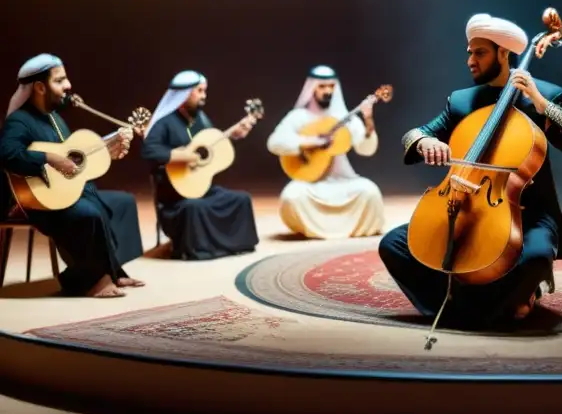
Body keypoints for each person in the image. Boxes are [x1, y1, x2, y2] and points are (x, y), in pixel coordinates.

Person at [378, 13, 562, 328]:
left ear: (504, 53)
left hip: (525, 213)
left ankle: (467, 308)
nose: (470, 60)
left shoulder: (544, 95)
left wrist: (539, 101)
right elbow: (413, 135)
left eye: (480, 53)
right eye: (469, 52)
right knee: (393, 245)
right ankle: (489, 307)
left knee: (535, 257)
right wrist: (424, 142)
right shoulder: (462, 102)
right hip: (462, 203)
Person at [0, 54, 143, 297]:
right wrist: (49, 158)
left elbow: (74, 163)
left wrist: (109, 150)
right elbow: (7, 154)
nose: (68, 86)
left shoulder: (55, 119)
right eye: (60, 80)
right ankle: (91, 282)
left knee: (124, 203)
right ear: (40, 87)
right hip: (36, 204)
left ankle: (113, 270)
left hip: (66, 195)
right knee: (87, 214)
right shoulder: (20, 121)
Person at [140, 70, 259, 260]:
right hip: (175, 198)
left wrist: (234, 134)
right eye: (200, 91)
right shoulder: (164, 123)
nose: (204, 96)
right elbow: (149, 151)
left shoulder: (201, 119)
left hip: (203, 189)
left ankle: (230, 245)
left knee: (241, 199)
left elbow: (211, 144)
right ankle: (201, 250)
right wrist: (182, 156)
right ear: (185, 94)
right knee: (193, 209)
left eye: (204, 91)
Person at [266, 65, 384, 238]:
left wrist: (368, 120)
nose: (327, 90)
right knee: (291, 197)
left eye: (331, 86)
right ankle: (313, 230)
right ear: (312, 87)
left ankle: (349, 229)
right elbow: (274, 143)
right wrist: (311, 142)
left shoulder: (344, 119)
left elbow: (366, 149)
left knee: (370, 192)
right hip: (310, 184)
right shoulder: (299, 117)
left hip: (342, 181)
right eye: (322, 86)